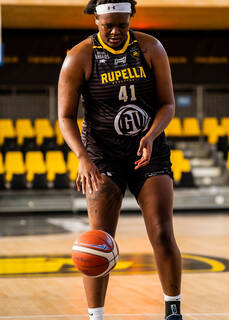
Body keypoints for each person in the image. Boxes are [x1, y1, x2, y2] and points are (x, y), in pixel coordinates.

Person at [58, 1, 182, 319]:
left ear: (130, 19)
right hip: (102, 156)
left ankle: (173, 310)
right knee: (98, 241)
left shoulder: (151, 48)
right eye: (107, 25)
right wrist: (82, 158)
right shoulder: (79, 56)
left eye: (122, 25)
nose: (114, 31)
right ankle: (96, 316)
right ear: (96, 19)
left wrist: (151, 135)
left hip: (146, 152)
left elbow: (168, 104)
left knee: (162, 232)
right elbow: (65, 116)